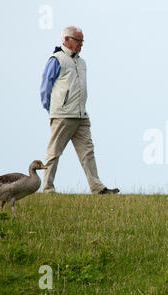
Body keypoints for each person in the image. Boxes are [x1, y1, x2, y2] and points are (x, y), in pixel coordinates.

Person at [40, 25, 119, 195]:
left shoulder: (81, 62)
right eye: (78, 40)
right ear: (66, 40)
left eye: (82, 41)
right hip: (63, 115)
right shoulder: (56, 59)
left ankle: (97, 188)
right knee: (54, 152)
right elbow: (45, 87)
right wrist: (53, 109)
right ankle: (47, 188)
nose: (81, 44)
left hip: (81, 115)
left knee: (87, 152)